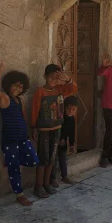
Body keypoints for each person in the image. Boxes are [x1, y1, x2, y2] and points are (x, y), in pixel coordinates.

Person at [0, 59, 39, 206]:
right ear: (9, 85)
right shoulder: (5, 99)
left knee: (33, 160)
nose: (18, 88)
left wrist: (30, 132)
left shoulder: (21, 100)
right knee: (14, 169)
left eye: (20, 86)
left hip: (22, 138)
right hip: (10, 139)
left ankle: (12, 160)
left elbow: (23, 116)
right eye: (15, 85)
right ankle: (19, 195)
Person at [31, 64, 77, 198]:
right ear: (44, 76)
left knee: (51, 158)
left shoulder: (59, 90)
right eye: (51, 77)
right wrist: (33, 127)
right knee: (43, 158)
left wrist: (67, 79)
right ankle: (38, 186)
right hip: (44, 130)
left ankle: (47, 184)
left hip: (57, 129)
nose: (53, 80)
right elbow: (34, 110)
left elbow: (73, 88)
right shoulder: (40, 91)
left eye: (56, 78)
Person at [49, 95, 78, 188]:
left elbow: (72, 132)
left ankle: (64, 176)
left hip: (63, 143)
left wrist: (72, 144)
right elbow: (58, 129)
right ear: (64, 108)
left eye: (73, 109)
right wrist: (60, 138)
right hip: (55, 141)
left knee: (63, 159)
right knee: (53, 160)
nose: (70, 111)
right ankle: (52, 179)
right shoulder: (60, 117)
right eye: (68, 108)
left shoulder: (72, 119)